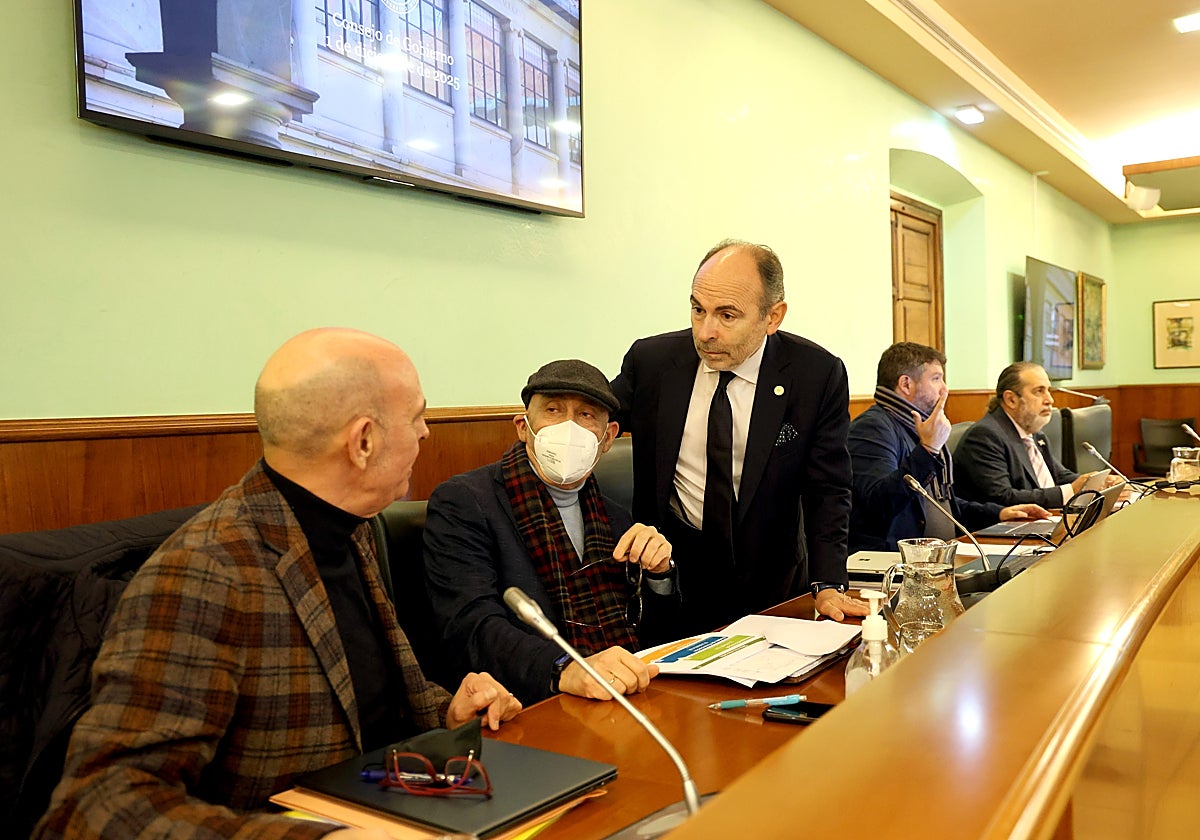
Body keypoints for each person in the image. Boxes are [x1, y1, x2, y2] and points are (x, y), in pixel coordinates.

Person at [35, 328, 522, 840]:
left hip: (398, 802)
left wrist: (445, 709)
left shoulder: (347, 528)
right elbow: (96, 806)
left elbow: (359, 699)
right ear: (363, 441)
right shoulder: (204, 570)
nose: (425, 432)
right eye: (417, 416)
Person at [611, 239, 868, 633]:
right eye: (698, 310)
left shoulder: (814, 374)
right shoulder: (653, 362)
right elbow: (597, 422)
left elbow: (828, 489)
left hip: (773, 581)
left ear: (773, 317)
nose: (706, 332)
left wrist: (829, 584)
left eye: (727, 315)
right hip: (674, 579)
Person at [423, 360, 677, 704]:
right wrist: (565, 670)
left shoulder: (615, 518)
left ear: (609, 437)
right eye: (553, 410)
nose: (569, 427)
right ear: (523, 426)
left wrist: (660, 575)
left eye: (587, 415)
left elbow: (654, 639)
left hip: (620, 698)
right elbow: (470, 626)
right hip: (524, 704)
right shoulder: (465, 502)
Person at [848, 343, 1050, 552]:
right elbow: (879, 504)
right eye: (936, 379)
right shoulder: (872, 428)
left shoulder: (923, 427)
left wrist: (999, 513)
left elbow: (943, 506)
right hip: (895, 566)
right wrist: (928, 450)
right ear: (906, 384)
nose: (945, 388)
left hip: (940, 557)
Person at [954, 361, 1113, 507]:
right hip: (1005, 532)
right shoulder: (985, 436)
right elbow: (1003, 497)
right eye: (1039, 391)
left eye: (1048, 391)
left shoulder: (1035, 434)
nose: (1049, 400)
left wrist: (1097, 483)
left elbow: (1059, 476)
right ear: (1011, 400)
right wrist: (1071, 490)